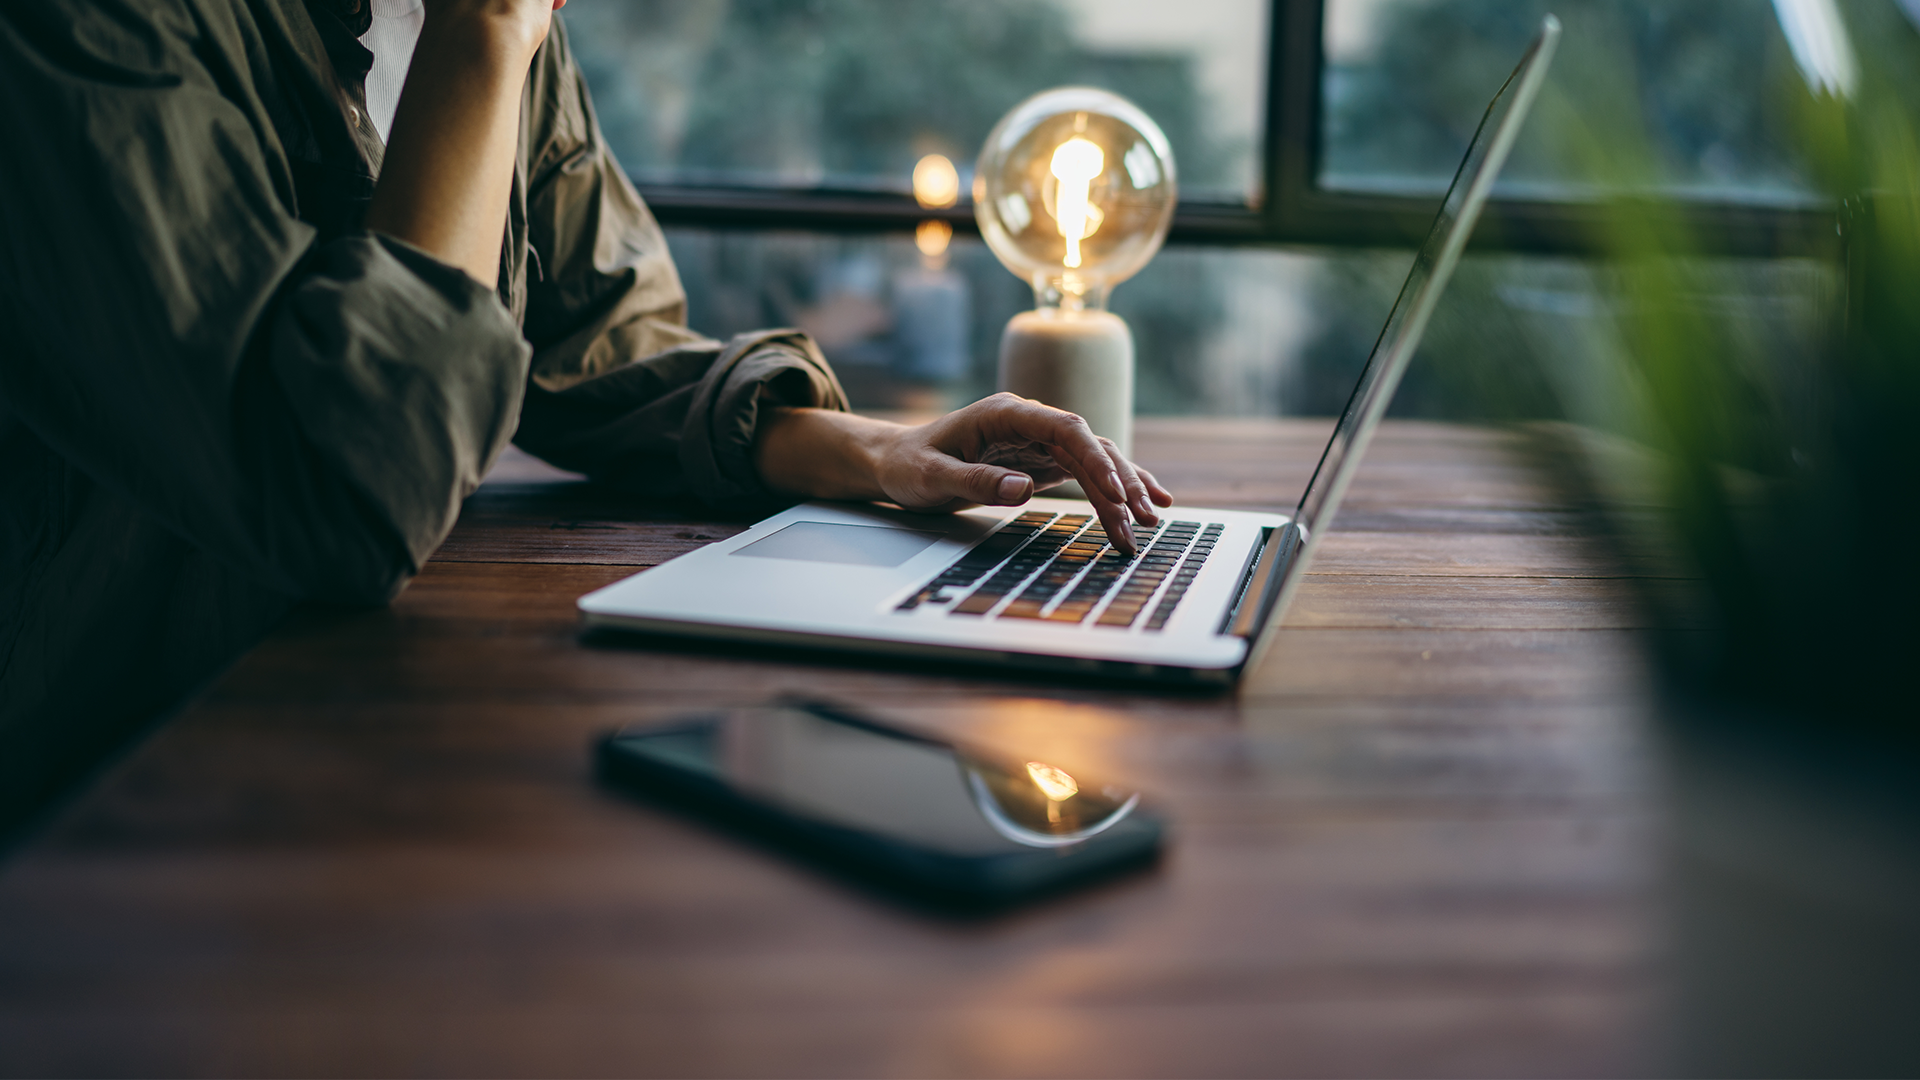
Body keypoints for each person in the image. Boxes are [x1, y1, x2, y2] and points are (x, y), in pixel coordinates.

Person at [0, 0, 1172, 829]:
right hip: (103, 789)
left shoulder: (500, 31)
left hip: (336, 735)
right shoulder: (90, 28)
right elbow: (345, 493)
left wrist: (875, 451)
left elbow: (592, 326)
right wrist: (482, 32)